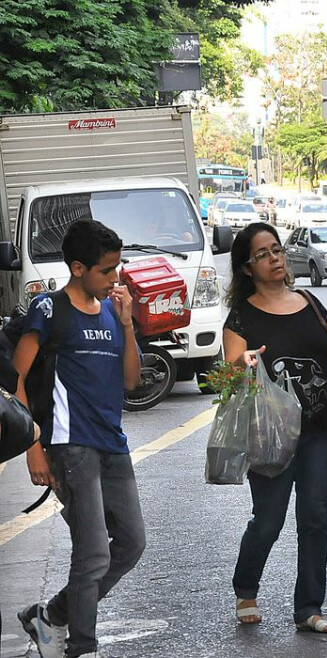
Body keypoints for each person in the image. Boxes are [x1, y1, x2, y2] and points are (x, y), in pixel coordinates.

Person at [222, 222, 327, 633]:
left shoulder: (307, 300)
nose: (275, 258)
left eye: (277, 249)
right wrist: (244, 363)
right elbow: (231, 364)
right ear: (248, 267)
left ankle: (309, 608)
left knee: (316, 515)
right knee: (268, 519)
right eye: (263, 254)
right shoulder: (242, 317)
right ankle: (246, 589)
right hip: (271, 433)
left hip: (324, 427)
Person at [16, 219, 145, 658]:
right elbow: (14, 381)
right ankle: (82, 647)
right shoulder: (50, 310)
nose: (115, 279)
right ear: (77, 268)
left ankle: (51, 614)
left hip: (113, 443)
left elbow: (130, 382)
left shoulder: (113, 310)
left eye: (117, 269)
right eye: (107, 272)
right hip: (71, 447)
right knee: (93, 556)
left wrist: (127, 326)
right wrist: (33, 448)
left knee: (130, 544)